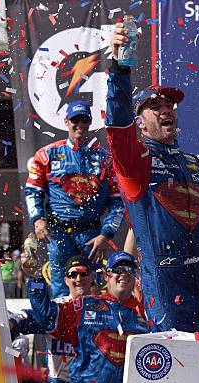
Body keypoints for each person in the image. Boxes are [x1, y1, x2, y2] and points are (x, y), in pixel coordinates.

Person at [104, 25, 199, 343]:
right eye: (155, 106)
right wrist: (119, 71)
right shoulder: (136, 163)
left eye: (169, 105)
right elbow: (117, 127)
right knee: (183, 370)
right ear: (140, 123)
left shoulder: (198, 164)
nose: (166, 110)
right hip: (168, 283)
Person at [24, 100, 125, 298]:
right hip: (59, 234)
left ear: (90, 122)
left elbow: (117, 202)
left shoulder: (105, 159)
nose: (79, 124)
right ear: (66, 122)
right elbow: (32, 191)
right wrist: (37, 220)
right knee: (62, 289)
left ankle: (94, 328)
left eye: (84, 119)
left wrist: (106, 235)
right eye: (75, 120)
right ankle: (64, 327)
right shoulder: (47, 154)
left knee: (92, 288)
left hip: (92, 235)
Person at [28, 251, 148, 383]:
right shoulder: (84, 306)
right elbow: (47, 317)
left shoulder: (145, 315)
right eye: (118, 270)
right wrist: (35, 278)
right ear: (107, 276)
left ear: (135, 277)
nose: (124, 274)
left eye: (130, 270)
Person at [12, 255, 95, 383]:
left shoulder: (104, 310)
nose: (78, 278)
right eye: (72, 274)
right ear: (65, 280)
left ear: (91, 277)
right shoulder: (56, 309)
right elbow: (23, 318)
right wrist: (34, 276)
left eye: (83, 273)